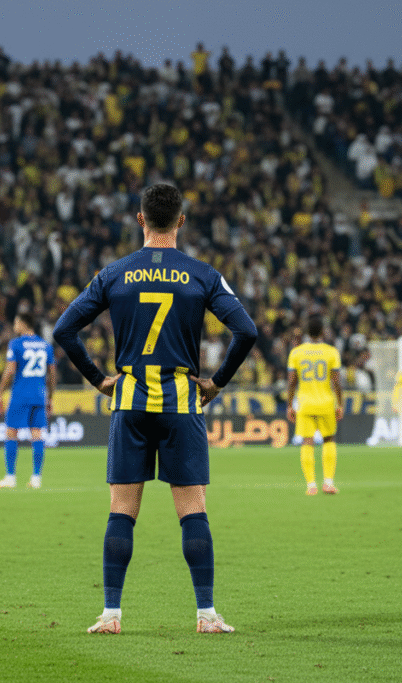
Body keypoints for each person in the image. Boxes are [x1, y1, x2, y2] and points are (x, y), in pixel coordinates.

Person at [53, 183, 257, 635]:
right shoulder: (202, 274)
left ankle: (110, 615)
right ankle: (206, 615)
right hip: (182, 403)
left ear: (140, 219)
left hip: (129, 400)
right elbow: (246, 330)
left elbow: (64, 329)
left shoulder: (115, 273)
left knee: (122, 510)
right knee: (193, 510)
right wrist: (217, 383)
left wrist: (98, 379)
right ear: (181, 221)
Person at [0, 312, 55, 489]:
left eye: (16, 322)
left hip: (20, 395)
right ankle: (36, 478)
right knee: (37, 435)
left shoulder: (16, 344)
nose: (14, 326)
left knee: (11, 433)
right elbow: (52, 373)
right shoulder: (45, 345)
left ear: (23, 323)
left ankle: (10, 477)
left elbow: (10, 370)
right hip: (39, 395)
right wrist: (50, 397)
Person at [285, 315, 343, 495]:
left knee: (307, 442)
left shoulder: (297, 352)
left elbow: (291, 382)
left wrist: (289, 405)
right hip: (326, 402)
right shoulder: (331, 352)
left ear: (307, 333)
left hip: (305, 403)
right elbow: (336, 382)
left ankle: (311, 485)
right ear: (323, 332)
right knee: (329, 439)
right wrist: (339, 404)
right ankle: (328, 482)